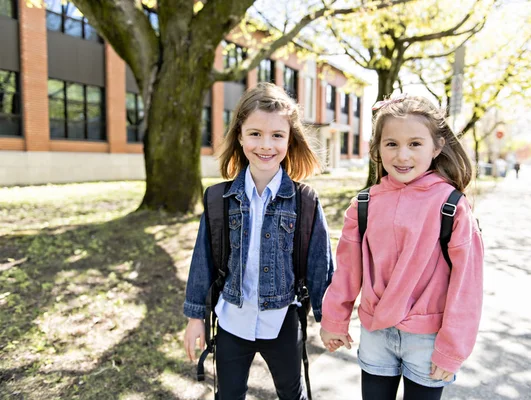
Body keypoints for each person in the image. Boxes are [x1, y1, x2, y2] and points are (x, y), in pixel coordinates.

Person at [319, 94, 484, 400]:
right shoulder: (364, 204)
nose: (402, 155)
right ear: (378, 149)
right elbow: (346, 272)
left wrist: (452, 348)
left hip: (429, 339)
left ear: (437, 147)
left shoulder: (452, 206)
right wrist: (334, 320)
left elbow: (467, 286)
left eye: (415, 144)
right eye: (391, 143)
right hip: (375, 333)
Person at [183, 82, 334, 400]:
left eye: (277, 135)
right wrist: (195, 316)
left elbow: (320, 265)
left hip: (280, 321)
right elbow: (203, 261)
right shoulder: (217, 199)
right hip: (231, 323)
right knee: (228, 394)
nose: (266, 144)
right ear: (239, 136)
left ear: (290, 139)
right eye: (255, 133)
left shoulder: (304, 200)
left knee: (293, 394)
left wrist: (328, 318)